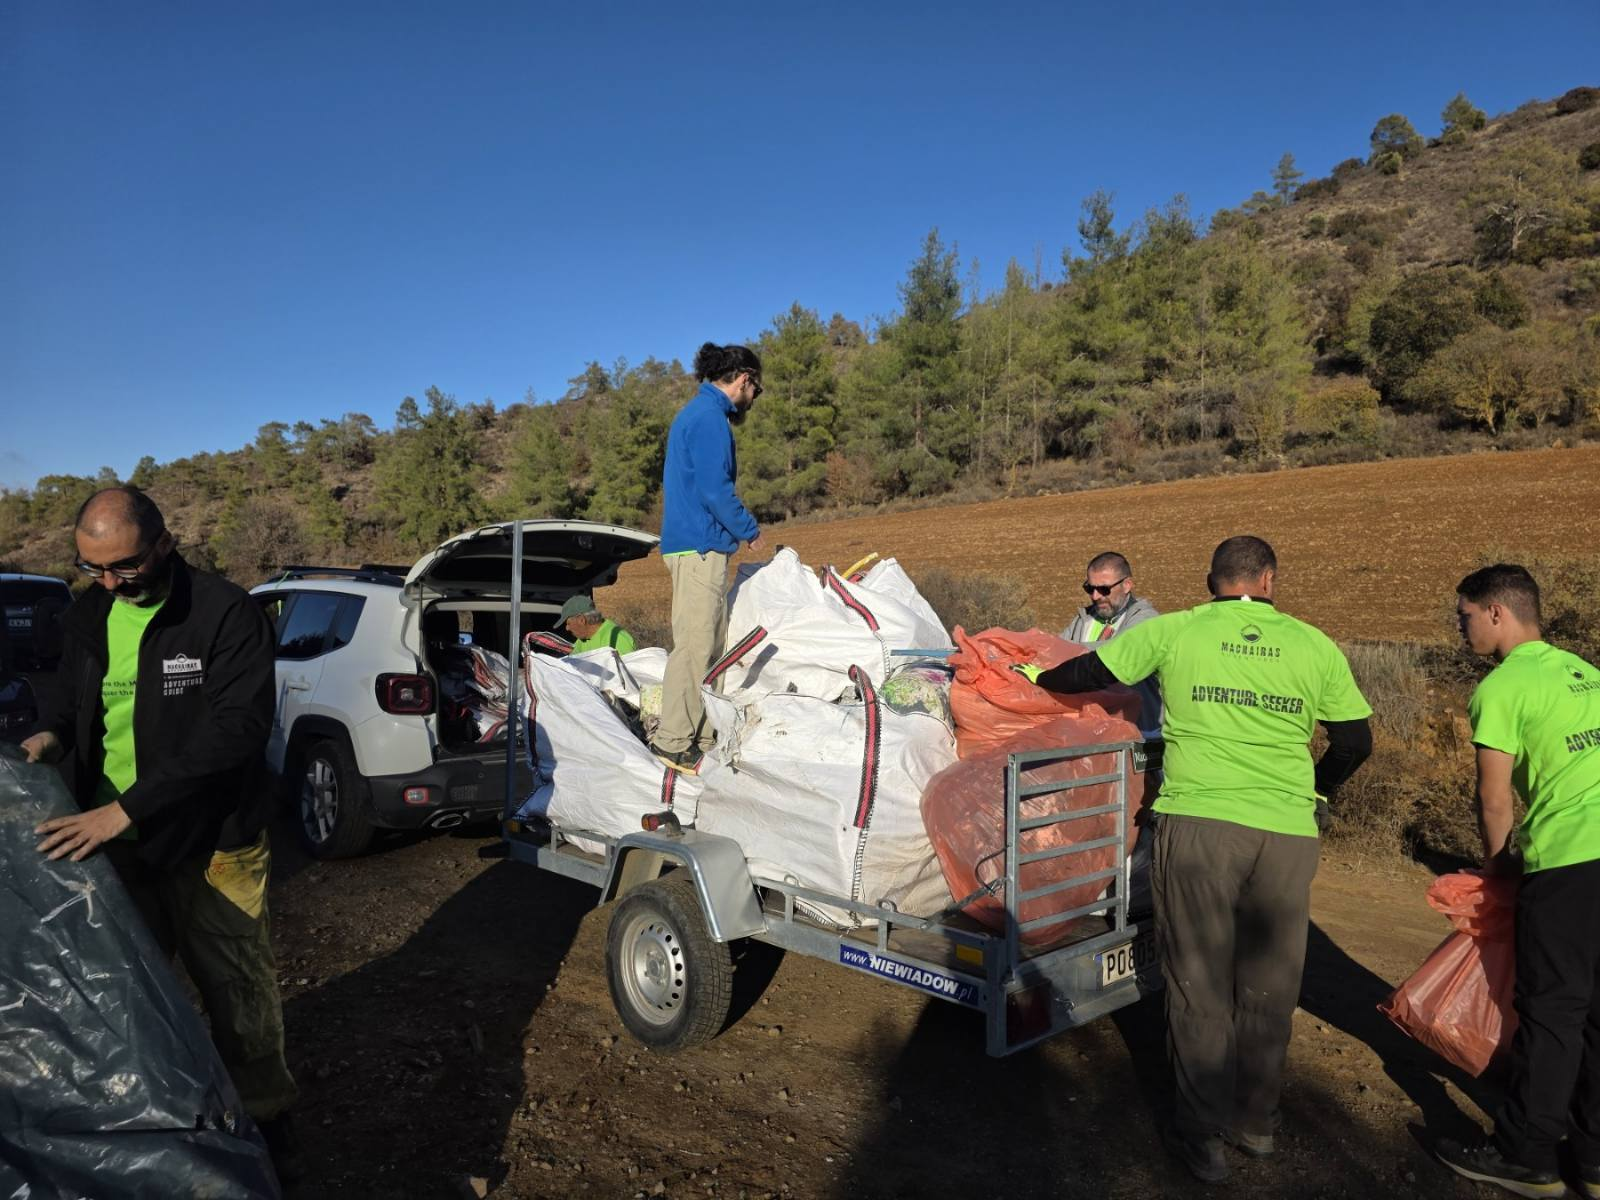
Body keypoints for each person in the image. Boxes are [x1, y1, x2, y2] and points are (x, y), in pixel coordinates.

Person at [1017, 535, 1372, 1183]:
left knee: (1198, 984)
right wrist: (1317, 792)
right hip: (1286, 832)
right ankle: (1256, 1123)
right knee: (1269, 981)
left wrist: (1036, 677)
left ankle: (1201, 1138)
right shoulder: (1312, 644)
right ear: (1268, 579)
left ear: (1211, 582)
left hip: (1201, 822)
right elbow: (1354, 740)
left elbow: (1091, 672)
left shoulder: (1175, 631)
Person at [20, 487, 300, 1179]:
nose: (111, 583)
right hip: (113, 843)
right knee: (132, 992)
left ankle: (267, 1116)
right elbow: (67, 698)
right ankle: (167, 1117)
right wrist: (50, 737)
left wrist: (127, 808)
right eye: (93, 568)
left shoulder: (222, 611)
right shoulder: (89, 611)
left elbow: (236, 731)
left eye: (125, 567)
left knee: (238, 992)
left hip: (213, 840)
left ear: (164, 543)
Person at [1434, 564, 1600, 1200]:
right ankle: (1592, 1157)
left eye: (1465, 614)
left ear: (1498, 613)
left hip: (1568, 862)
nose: (1461, 626)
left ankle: (1527, 1154)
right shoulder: (1584, 671)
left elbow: (1494, 797)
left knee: (1554, 1010)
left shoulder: (1503, 686)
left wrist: (1499, 863)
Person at [651, 342, 764, 772]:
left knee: (709, 647)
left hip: (697, 545)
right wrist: (748, 530)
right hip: (699, 547)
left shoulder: (698, 415)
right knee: (695, 647)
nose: (753, 399)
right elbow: (716, 490)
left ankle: (699, 733)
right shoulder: (709, 419)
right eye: (756, 389)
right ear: (743, 379)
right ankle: (673, 740)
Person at [1062, 550, 1163, 738]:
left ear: (1127, 585)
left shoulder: (1146, 620)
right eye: (1089, 588)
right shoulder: (1083, 619)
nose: (1095, 596)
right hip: (1091, 734)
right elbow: (1055, 650)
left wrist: (1069, 656)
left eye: (1104, 589)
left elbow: (1117, 652)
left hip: (1138, 735)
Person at [558, 593, 637, 655]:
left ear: (581, 620)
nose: (567, 628)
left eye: (568, 623)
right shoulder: (582, 641)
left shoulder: (618, 638)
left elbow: (629, 673)